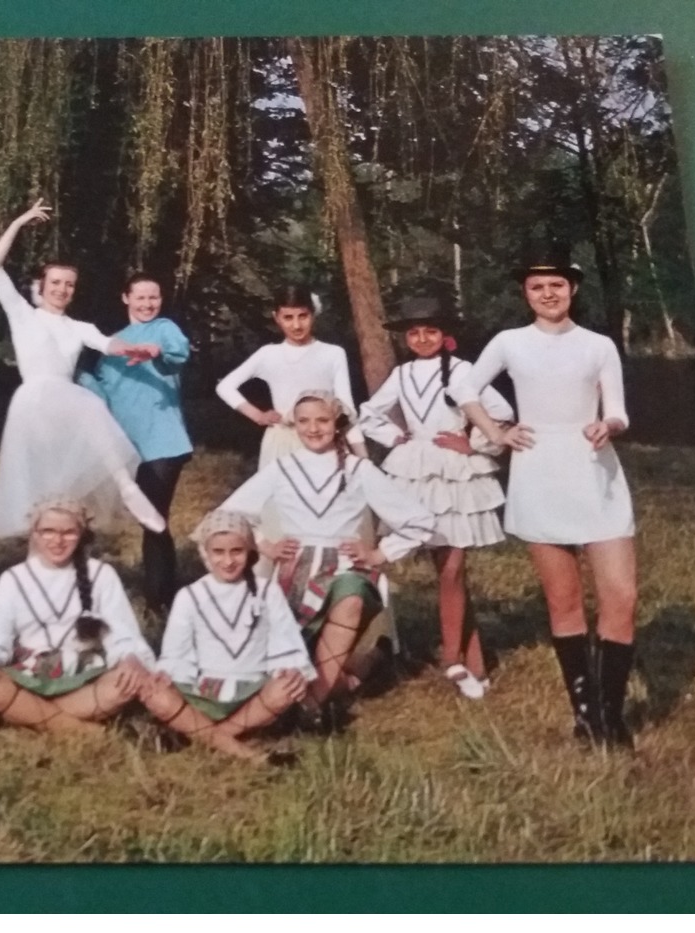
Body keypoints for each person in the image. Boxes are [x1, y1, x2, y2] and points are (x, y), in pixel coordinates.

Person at [449, 242, 639, 749]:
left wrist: (609, 424)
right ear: (526, 293)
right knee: (564, 599)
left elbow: (619, 409)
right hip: (538, 473)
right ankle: (587, 717)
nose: (548, 293)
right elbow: (464, 388)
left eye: (556, 285)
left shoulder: (598, 345)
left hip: (594, 470)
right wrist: (497, 430)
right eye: (537, 287)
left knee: (621, 596)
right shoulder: (510, 342)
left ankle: (612, 714)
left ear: (572, 289)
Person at [215, 390, 436, 722]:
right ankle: (368, 665)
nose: (313, 428)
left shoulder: (358, 470)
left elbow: (419, 520)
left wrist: (379, 553)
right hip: (294, 574)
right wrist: (266, 545)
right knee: (280, 674)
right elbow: (229, 515)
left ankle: (311, 710)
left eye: (322, 420)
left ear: (337, 424)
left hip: (348, 568)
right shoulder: (283, 468)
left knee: (350, 599)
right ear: (294, 426)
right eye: (304, 421)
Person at [357, 294, 515, 700]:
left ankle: (450, 658)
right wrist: (396, 437)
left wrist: (474, 443)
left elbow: (502, 414)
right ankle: (473, 662)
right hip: (417, 472)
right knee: (446, 568)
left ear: (445, 334)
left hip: (458, 475)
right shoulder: (402, 374)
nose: (423, 338)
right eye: (414, 332)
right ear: (406, 338)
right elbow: (370, 412)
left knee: (453, 568)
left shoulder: (464, 371)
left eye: (431, 331)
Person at [0, 200, 167, 538]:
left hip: (67, 401)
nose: (62, 290)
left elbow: (109, 344)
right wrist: (19, 222)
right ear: (42, 285)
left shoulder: (78, 327)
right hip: (35, 401)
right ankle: (44, 537)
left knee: (90, 411)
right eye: (56, 283)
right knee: (45, 479)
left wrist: (141, 348)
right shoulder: (23, 314)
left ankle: (127, 489)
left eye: (69, 284)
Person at [0, 496, 157, 734]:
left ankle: (24, 716)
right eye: (48, 531)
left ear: (82, 534)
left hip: (83, 673)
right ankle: (89, 731)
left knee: (124, 684)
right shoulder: (14, 578)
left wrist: (130, 658)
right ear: (34, 533)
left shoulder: (101, 574)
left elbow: (123, 633)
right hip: (28, 674)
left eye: (68, 533)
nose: (58, 541)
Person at [138, 510, 315, 764]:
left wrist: (290, 671)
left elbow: (285, 639)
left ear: (250, 552)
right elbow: (175, 653)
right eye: (218, 552)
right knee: (156, 695)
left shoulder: (267, 591)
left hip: (252, 692)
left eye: (236, 552)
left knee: (285, 689)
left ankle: (201, 737)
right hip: (203, 692)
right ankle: (250, 754)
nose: (228, 561)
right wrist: (165, 675)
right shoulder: (190, 595)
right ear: (206, 554)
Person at [76, 271, 193, 614]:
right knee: (90, 516)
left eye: (153, 297)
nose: (147, 304)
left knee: (154, 518)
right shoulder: (113, 344)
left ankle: (161, 600)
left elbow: (178, 353)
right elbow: (98, 388)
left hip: (163, 442)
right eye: (140, 297)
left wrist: (155, 351)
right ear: (125, 298)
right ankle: (83, 592)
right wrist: (74, 378)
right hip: (123, 445)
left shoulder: (164, 328)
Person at [215, 286, 357, 467]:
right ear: (277, 318)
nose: (296, 325)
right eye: (288, 318)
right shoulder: (268, 354)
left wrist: (360, 453)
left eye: (303, 316)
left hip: (323, 440)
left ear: (313, 314)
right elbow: (225, 387)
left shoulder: (333, 353)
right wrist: (257, 415)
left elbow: (347, 408)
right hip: (282, 442)